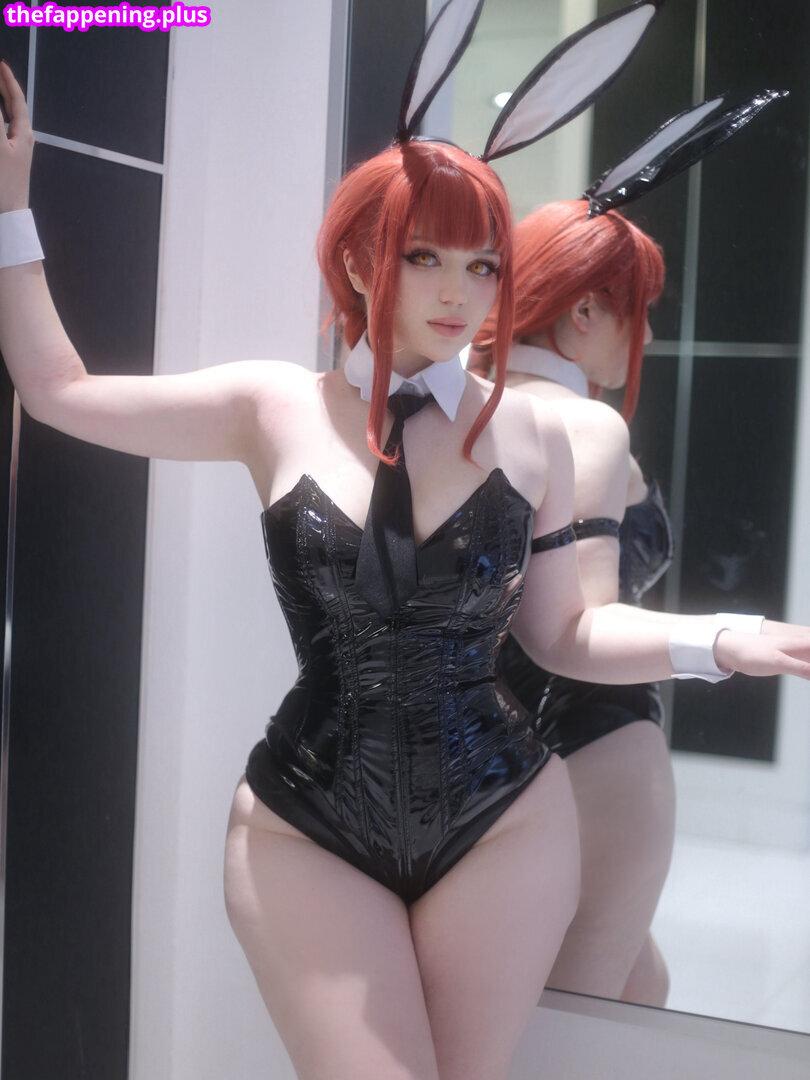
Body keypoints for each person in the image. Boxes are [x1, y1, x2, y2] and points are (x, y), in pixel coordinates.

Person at [2, 59, 810, 1080]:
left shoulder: (540, 433)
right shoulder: (273, 407)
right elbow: (58, 391)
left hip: (504, 821)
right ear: (356, 261)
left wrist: (724, 640)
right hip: (307, 820)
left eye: (483, 266)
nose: (458, 292)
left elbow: (564, 633)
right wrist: (11, 205)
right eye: (425, 257)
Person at [472, 200, 675, 1006]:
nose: (648, 334)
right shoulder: (585, 424)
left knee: (639, 992)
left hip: (467, 757)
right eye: (640, 310)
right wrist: (726, 643)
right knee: (574, 1027)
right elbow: (577, 627)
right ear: (585, 310)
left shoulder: (448, 416)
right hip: (598, 751)